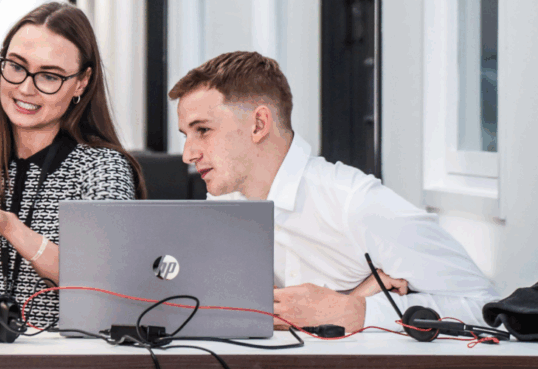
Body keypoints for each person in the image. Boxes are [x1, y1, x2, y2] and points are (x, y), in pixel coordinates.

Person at [170, 51, 499, 332]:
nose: (188, 154)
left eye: (203, 130)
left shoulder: (357, 203)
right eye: (187, 134)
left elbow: (487, 309)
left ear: (258, 125)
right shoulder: (223, 200)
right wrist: (358, 296)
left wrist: (357, 313)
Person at [0, 2, 146, 327]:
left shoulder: (103, 168)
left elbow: (102, 284)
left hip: (64, 364)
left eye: (49, 76)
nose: (25, 88)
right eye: (16, 66)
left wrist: (10, 227)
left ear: (81, 83)